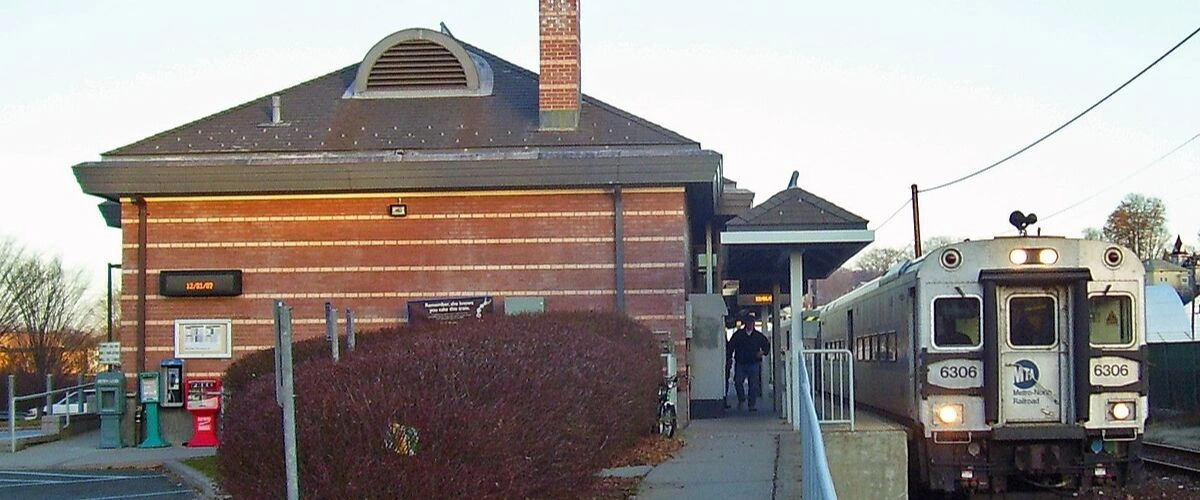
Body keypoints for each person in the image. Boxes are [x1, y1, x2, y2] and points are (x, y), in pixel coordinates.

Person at [727, 312, 771, 411]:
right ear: (745, 323)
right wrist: (729, 357)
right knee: (738, 382)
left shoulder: (758, 336)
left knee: (753, 385)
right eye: (749, 322)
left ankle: (751, 404)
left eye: (752, 322)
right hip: (741, 362)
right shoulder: (738, 335)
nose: (750, 324)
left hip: (754, 363)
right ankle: (742, 400)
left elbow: (766, 346)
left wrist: (763, 352)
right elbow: (731, 346)